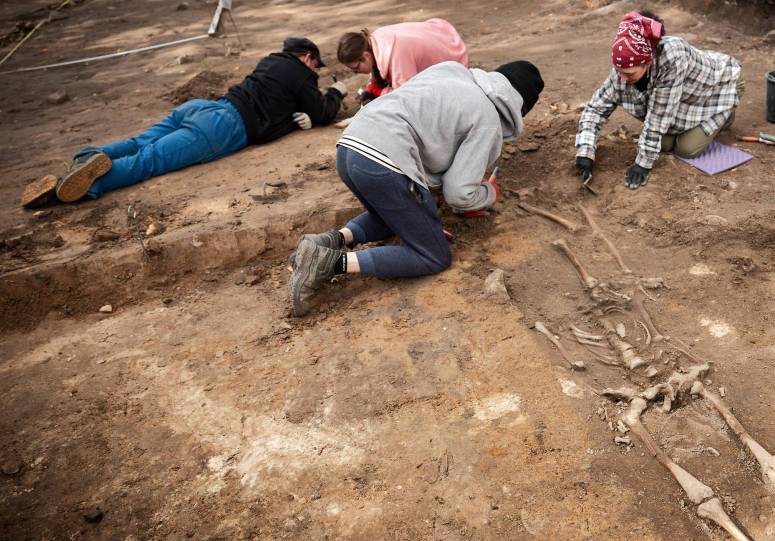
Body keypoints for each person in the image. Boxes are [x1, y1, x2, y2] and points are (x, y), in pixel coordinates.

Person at [286, 60, 543, 317]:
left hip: (350, 145)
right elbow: (459, 194)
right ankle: (328, 263)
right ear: (519, 108)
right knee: (433, 256)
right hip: (384, 161)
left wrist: (423, 217)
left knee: (394, 215)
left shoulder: (451, 70)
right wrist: (488, 193)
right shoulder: (488, 119)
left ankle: (329, 240)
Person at [21, 37, 347, 208]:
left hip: (204, 107)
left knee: (138, 143)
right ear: (308, 57)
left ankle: (86, 158)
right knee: (148, 161)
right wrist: (335, 92)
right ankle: (82, 188)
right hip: (222, 128)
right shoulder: (302, 73)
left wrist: (290, 119)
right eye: (315, 66)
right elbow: (321, 112)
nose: (315, 73)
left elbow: (278, 102)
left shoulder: (269, 61)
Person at [574, 11, 744, 189]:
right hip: (684, 97)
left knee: (686, 149)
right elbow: (595, 109)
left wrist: (642, 165)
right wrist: (585, 152)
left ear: (647, 62)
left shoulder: (673, 58)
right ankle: (697, 126)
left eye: (629, 74)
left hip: (719, 87)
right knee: (664, 143)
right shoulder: (625, 67)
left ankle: (726, 115)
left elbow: (657, 119)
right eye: (618, 71)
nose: (622, 79)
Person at [336, 18, 468, 102]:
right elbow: (379, 69)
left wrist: (378, 92)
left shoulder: (396, 54)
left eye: (355, 69)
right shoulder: (375, 40)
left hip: (454, 63)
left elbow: (407, 96)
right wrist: (371, 88)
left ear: (366, 56)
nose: (356, 72)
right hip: (443, 33)